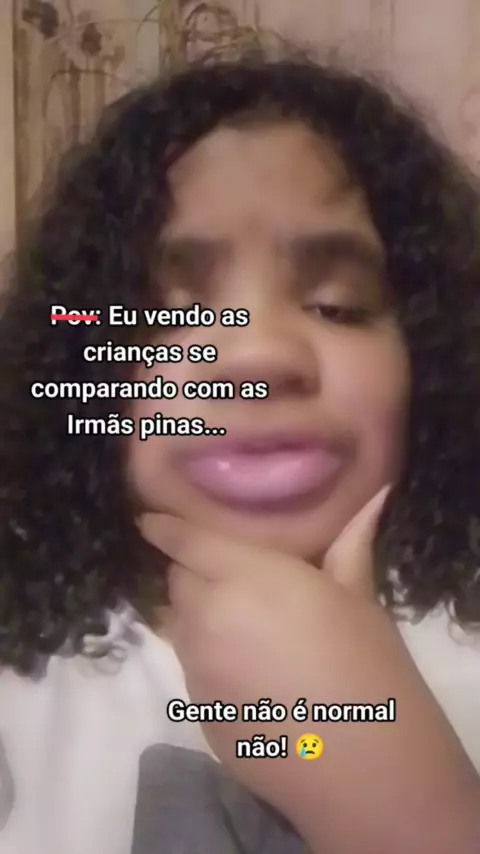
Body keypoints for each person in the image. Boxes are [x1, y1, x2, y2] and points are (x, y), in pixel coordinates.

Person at [0, 54, 479, 854]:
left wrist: (408, 805)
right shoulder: (25, 676)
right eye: (166, 316)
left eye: (337, 306)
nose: (254, 357)